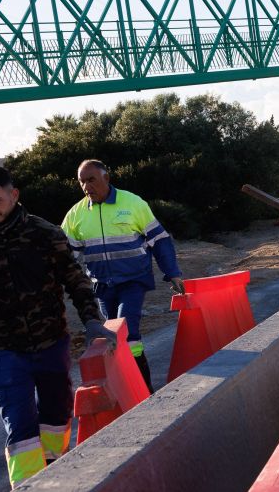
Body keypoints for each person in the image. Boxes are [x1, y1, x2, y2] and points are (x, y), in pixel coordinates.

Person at [0, 165, 116, 487]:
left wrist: (92, 320)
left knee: (55, 420)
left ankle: (55, 475)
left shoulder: (46, 234)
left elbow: (75, 280)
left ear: (14, 195)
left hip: (51, 345)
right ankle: (29, 486)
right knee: (20, 429)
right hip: (5, 352)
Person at [61, 159, 184, 393]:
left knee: (126, 331)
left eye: (91, 180)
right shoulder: (75, 215)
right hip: (103, 287)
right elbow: (65, 258)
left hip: (134, 281)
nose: (87, 186)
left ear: (106, 178)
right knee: (112, 336)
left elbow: (159, 240)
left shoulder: (133, 203)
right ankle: (127, 389)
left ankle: (144, 390)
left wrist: (173, 273)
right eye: (82, 182)